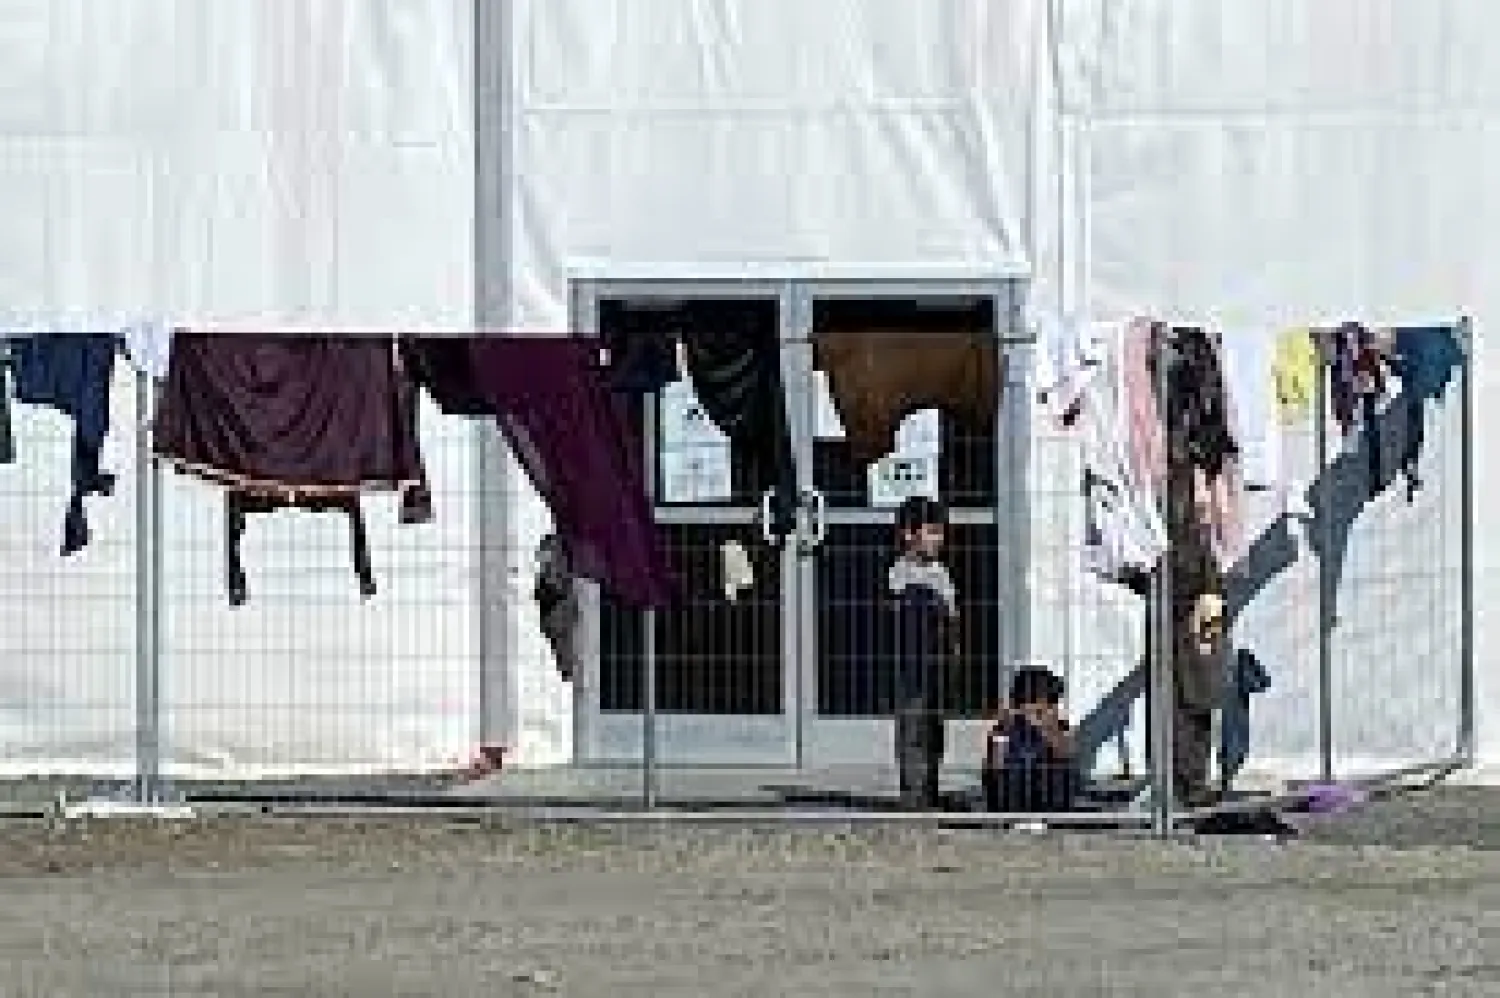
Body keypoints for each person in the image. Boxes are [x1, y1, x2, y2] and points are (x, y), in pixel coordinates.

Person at [889, 495, 958, 810]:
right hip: (909, 662)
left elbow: (952, 615)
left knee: (934, 727)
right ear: (908, 534)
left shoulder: (941, 573)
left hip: (936, 661)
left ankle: (930, 787)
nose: (938, 540)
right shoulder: (898, 572)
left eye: (940, 533)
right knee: (912, 727)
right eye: (932, 532)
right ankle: (913, 792)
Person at [983, 666, 1080, 813]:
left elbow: (1066, 757)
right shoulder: (1006, 723)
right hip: (1013, 792)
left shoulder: (1056, 723)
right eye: (1051, 700)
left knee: (1057, 772)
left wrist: (1046, 728)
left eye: (1054, 702)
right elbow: (994, 767)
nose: (1054, 706)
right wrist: (1003, 729)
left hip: (1046, 793)